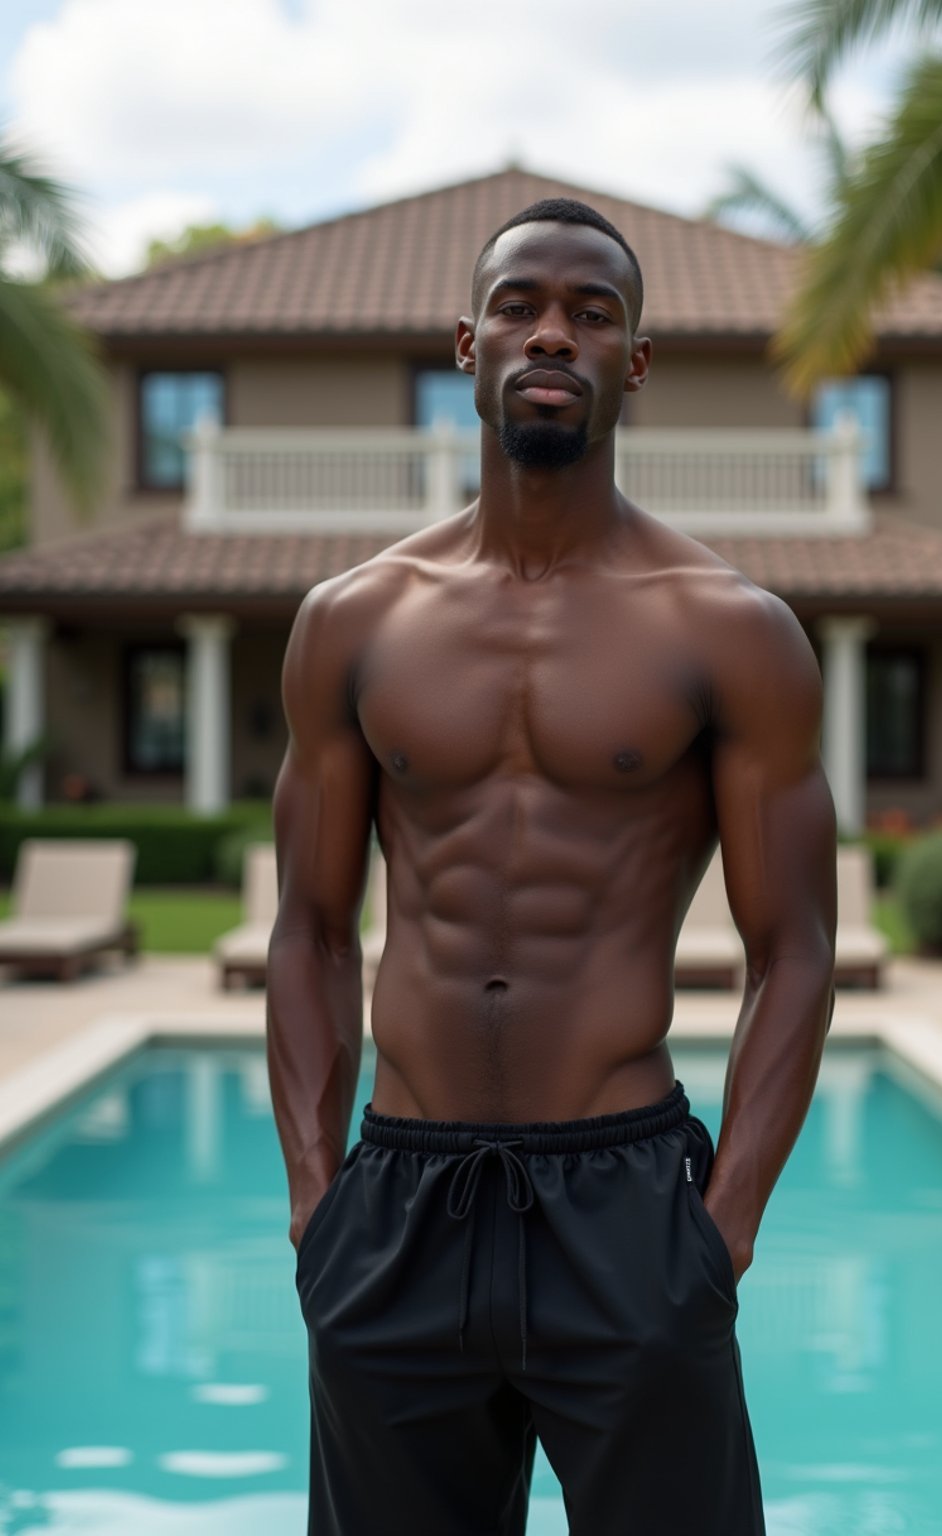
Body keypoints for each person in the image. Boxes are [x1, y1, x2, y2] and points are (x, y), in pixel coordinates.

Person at [267, 197, 837, 1536]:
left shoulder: (732, 631)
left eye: (592, 312)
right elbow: (310, 929)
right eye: (521, 304)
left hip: (629, 1205)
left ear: (633, 362)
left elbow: (795, 952)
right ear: (468, 345)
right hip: (396, 1206)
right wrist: (314, 1207)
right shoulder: (351, 622)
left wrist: (723, 1231)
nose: (551, 332)